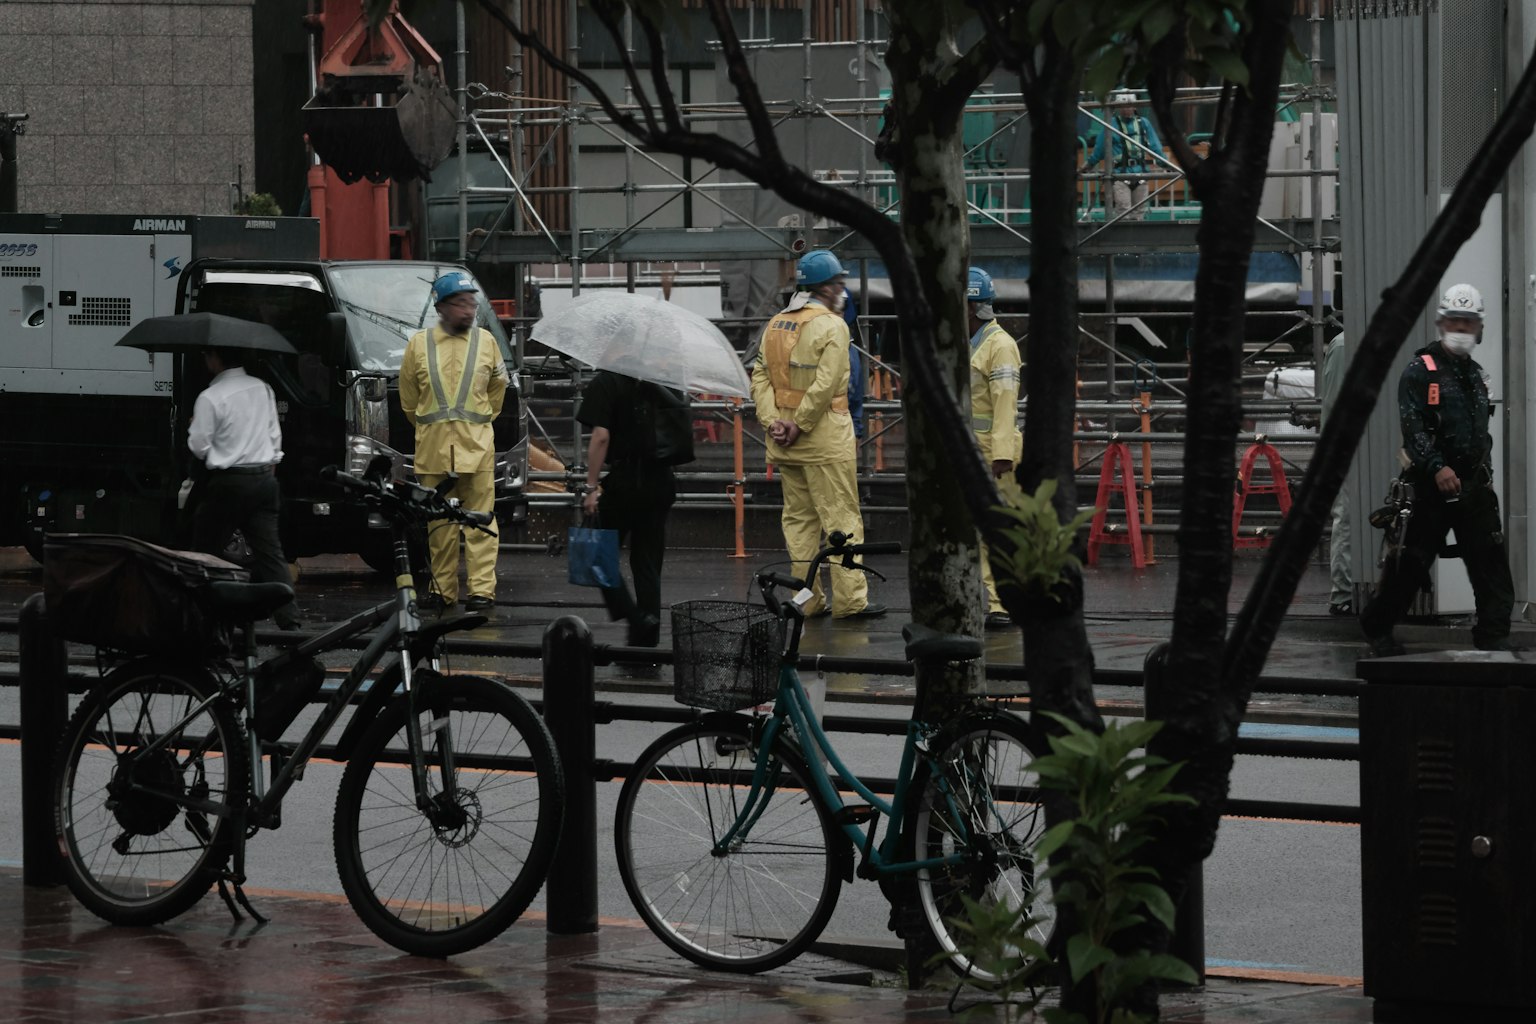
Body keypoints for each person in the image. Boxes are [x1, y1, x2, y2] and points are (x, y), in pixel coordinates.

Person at [1360, 283, 1514, 656]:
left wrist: (1483, 474)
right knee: (1410, 564)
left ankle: (1493, 640)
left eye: (1468, 321)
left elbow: (1480, 434)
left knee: (1490, 565)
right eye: (1455, 320)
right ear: (1441, 322)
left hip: (1474, 487)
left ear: (1479, 327)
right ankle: (1378, 631)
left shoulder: (1477, 376)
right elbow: (1413, 429)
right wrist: (1437, 467)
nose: (1461, 328)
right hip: (1430, 487)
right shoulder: (1419, 372)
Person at [750, 250, 885, 619]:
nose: (843, 290)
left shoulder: (776, 324)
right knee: (842, 519)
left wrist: (774, 422)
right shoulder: (832, 326)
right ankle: (851, 601)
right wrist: (801, 423)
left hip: (785, 445)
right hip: (823, 441)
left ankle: (807, 599)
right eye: (840, 283)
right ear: (826, 288)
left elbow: (760, 377)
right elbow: (828, 384)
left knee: (799, 524)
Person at [398, 271, 509, 613]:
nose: (469, 310)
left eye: (471, 303)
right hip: (434, 451)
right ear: (442, 307)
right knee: (439, 525)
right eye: (461, 303)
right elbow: (409, 399)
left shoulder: (487, 342)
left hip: (476, 449)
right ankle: (443, 591)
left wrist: (476, 424)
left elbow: (498, 390)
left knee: (480, 520)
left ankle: (481, 592)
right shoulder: (418, 344)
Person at [188, 347, 301, 630]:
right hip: (264, 479)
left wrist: (193, 428)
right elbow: (275, 436)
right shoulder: (262, 389)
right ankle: (290, 621)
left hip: (228, 483)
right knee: (271, 553)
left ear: (215, 358)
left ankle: (202, 619)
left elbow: (199, 447)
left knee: (206, 551)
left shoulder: (210, 397)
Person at [577, 371, 693, 647]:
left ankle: (635, 618)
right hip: (661, 480)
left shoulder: (608, 381)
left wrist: (591, 487)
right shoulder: (663, 379)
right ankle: (647, 636)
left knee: (597, 555)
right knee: (648, 563)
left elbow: (601, 437)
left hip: (625, 481)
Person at [966, 267, 1024, 630]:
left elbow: (1005, 403)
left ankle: (1004, 602)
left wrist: (1001, 455)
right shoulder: (972, 342)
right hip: (972, 451)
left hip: (992, 453)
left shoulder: (999, 346)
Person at [1085, 91, 1164, 221]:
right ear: (1117, 107)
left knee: (1140, 213)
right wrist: (1087, 165)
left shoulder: (1143, 123)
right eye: (1123, 105)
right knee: (1123, 211)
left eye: (1129, 105)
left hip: (1141, 174)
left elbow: (1155, 148)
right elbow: (1099, 149)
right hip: (1120, 176)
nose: (1126, 108)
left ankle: (1137, 240)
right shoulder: (1110, 125)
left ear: (1135, 106)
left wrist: (1166, 165)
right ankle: (1123, 239)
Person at [1320, 317, 1353, 615]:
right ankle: (1343, 595)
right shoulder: (1344, 344)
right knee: (1347, 515)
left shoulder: (1344, 344)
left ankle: (1346, 593)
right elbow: (1332, 408)